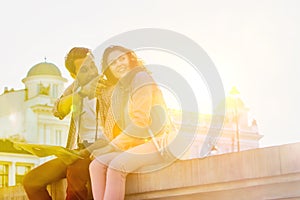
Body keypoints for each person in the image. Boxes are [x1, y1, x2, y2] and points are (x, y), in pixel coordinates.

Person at [23, 47, 108, 200]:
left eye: (92, 66)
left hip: (103, 149)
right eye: (84, 70)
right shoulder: (76, 88)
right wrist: (81, 93)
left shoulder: (108, 86)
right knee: (31, 181)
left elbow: (118, 132)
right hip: (78, 151)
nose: (91, 72)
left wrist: (87, 152)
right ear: (73, 75)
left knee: (75, 171)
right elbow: (57, 110)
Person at [89, 45, 172, 200]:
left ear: (130, 59)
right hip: (135, 145)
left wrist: (111, 146)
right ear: (109, 69)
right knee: (96, 165)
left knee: (116, 167)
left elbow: (140, 122)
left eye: (122, 58)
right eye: (113, 63)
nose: (119, 64)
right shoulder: (121, 89)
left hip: (158, 143)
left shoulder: (141, 78)